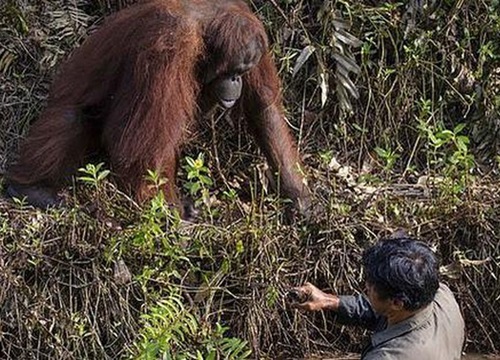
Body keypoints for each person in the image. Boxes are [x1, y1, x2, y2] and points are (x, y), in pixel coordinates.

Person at [291, 237, 465, 360]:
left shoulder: (388, 356)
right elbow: (385, 311)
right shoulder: (441, 295)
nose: (366, 286)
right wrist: (329, 301)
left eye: (371, 287)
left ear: (397, 302)